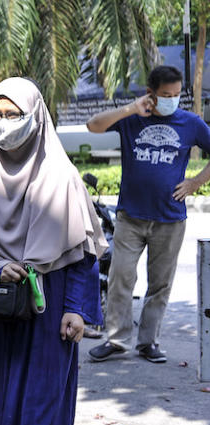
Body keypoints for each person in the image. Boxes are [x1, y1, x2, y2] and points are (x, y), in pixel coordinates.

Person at [0, 77, 107, 425]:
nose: (3, 123)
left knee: (41, 395)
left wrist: (76, 309)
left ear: (35, 117)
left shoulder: (63, 178)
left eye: (13, 114)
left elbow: (82, 253)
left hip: (47, 306)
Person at [85, 65, 210, 363]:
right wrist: (130, 108)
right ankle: (116, 341)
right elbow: (93, 125)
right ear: (151, 94)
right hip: (131, 216)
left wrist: (196, 182)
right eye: (166, 95)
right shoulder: (131, 119)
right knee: (120, 277)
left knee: (160, 285)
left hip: (170, 218)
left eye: (177, 94)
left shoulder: (190, 123)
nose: (172, 99)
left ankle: (148, 342)